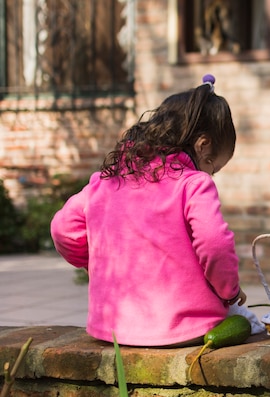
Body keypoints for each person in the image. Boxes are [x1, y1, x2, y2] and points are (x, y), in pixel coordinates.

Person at [51, 74, 248, 347]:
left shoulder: (107, 180)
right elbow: (214, 243)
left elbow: (62, 229)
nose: (210, 175)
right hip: (184, 329)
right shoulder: (193, 184)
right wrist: (229, 292)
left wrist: (94, 263)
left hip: (110, 329)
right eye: (213, 167)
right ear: (203, 146)